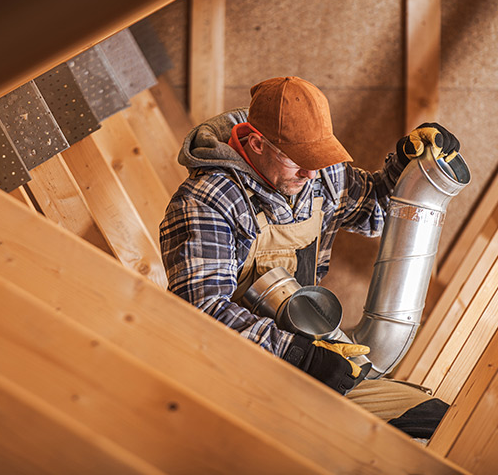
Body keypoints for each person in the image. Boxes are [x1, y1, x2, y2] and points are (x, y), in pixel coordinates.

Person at [160, 76, 459, 439]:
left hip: (310, 356)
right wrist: (298, 356)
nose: (312, 172)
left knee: (439, 424)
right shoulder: (207, 201)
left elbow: (374, 212)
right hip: (235, 379)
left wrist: (406, 168)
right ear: (255, 143)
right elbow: (202, 312)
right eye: (299, 160)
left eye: (318, 158)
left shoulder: (320, 174)